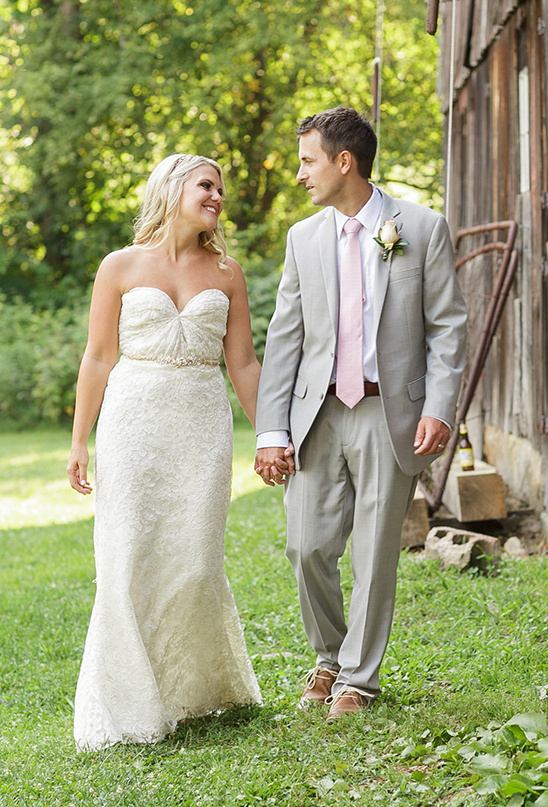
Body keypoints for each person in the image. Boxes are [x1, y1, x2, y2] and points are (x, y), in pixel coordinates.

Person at [254, 107, 467, 722]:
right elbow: (286, 337)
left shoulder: (420, 228)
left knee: (375, 552)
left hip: (389, 413)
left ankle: (358, 680)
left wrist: (440, 407)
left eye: (307, 160)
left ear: (343, 162)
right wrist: (272, 429)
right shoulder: (304, 237)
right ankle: (328, 654)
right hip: (317, 413)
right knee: (306, 545)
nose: (300, 174)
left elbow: (448, 327)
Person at [67, 153, 265, 750]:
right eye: (207, 185)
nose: (217, 197)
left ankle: (195, 691)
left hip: (201, 426)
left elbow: (244, 363)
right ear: (172, 188)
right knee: (126, 562)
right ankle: (130, 705)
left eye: (221, 189)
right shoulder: (119, 266)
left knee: (197, 563)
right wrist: (79, 441)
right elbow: (98, 357)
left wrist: (271, 436)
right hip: (132, 425)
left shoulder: (227, 273)